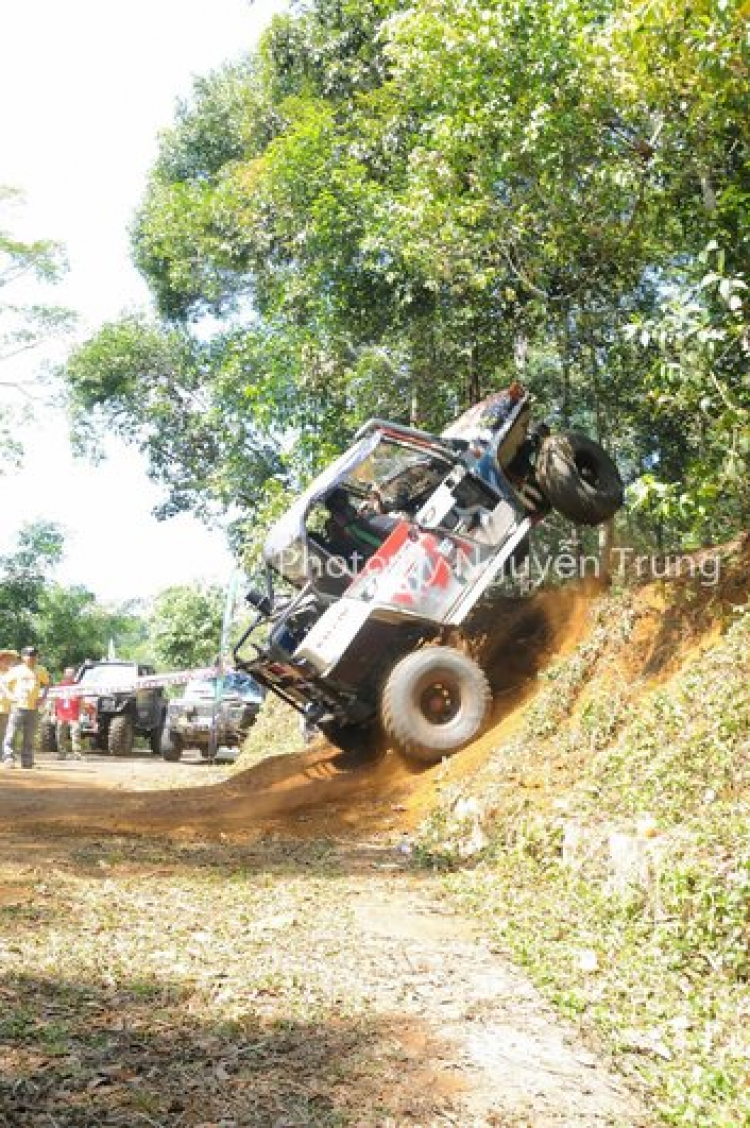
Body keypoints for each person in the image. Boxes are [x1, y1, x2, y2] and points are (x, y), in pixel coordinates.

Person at [2, 646, 51, 769]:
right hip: (18, 705)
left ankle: (27, 760)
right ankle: (8, 758)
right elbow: (3, 683)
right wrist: (9, 695)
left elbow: (47, 684)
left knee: (29, 735)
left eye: (34, 656)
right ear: (23, 657)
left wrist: (43, 697)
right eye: (29, 655)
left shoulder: (41, 670)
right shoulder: (16, 670)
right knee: (12, 733)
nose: (32, 658)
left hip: (33, 707)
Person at [323, 487, 395, 568]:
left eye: (349, 504)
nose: (351, 507)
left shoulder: (357, 524)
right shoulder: (352, 530)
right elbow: (379, 543)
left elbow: (380, 537)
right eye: (346, 506)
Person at [53, 666, 84, 761]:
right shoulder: (59, 686)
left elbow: (82, 701)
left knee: (75, 734)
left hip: (73, 714)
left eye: (72, 673)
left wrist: (82, 713)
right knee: (60, 734)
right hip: (61, 714)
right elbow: (54, 701)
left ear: (74, 675)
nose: (70, 675)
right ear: (64, 674)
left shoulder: (78, 687)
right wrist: (53, 714)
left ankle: (77, 754)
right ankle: (62, 753)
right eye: (68, 673)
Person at [0, 649, 19, 753]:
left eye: (10, 659)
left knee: (9, 732)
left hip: (10, 708)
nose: (8, 661)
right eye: (5, 659)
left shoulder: (14, 674)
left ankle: (7, 754)